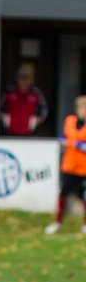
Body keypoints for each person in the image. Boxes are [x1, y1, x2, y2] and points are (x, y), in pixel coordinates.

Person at [45, 95, 86, 235]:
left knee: (83, 196)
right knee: (63, 193)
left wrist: (78, 145)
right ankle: (58, 222)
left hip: (83, 167)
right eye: (81, 108)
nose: (83, 111)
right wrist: (64, 141)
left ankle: (85, 224)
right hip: (69, 165)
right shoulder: (70, 121)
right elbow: (63, 136)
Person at [1, 64, 48, 137]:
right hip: (10, 132)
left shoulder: (36, 93)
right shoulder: (9, 91)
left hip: (30, 132)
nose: (23, 81)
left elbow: (44, 109)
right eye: (21, 78)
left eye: (26, 78)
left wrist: (37, 121)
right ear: (17, 78)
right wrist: (5, 119)